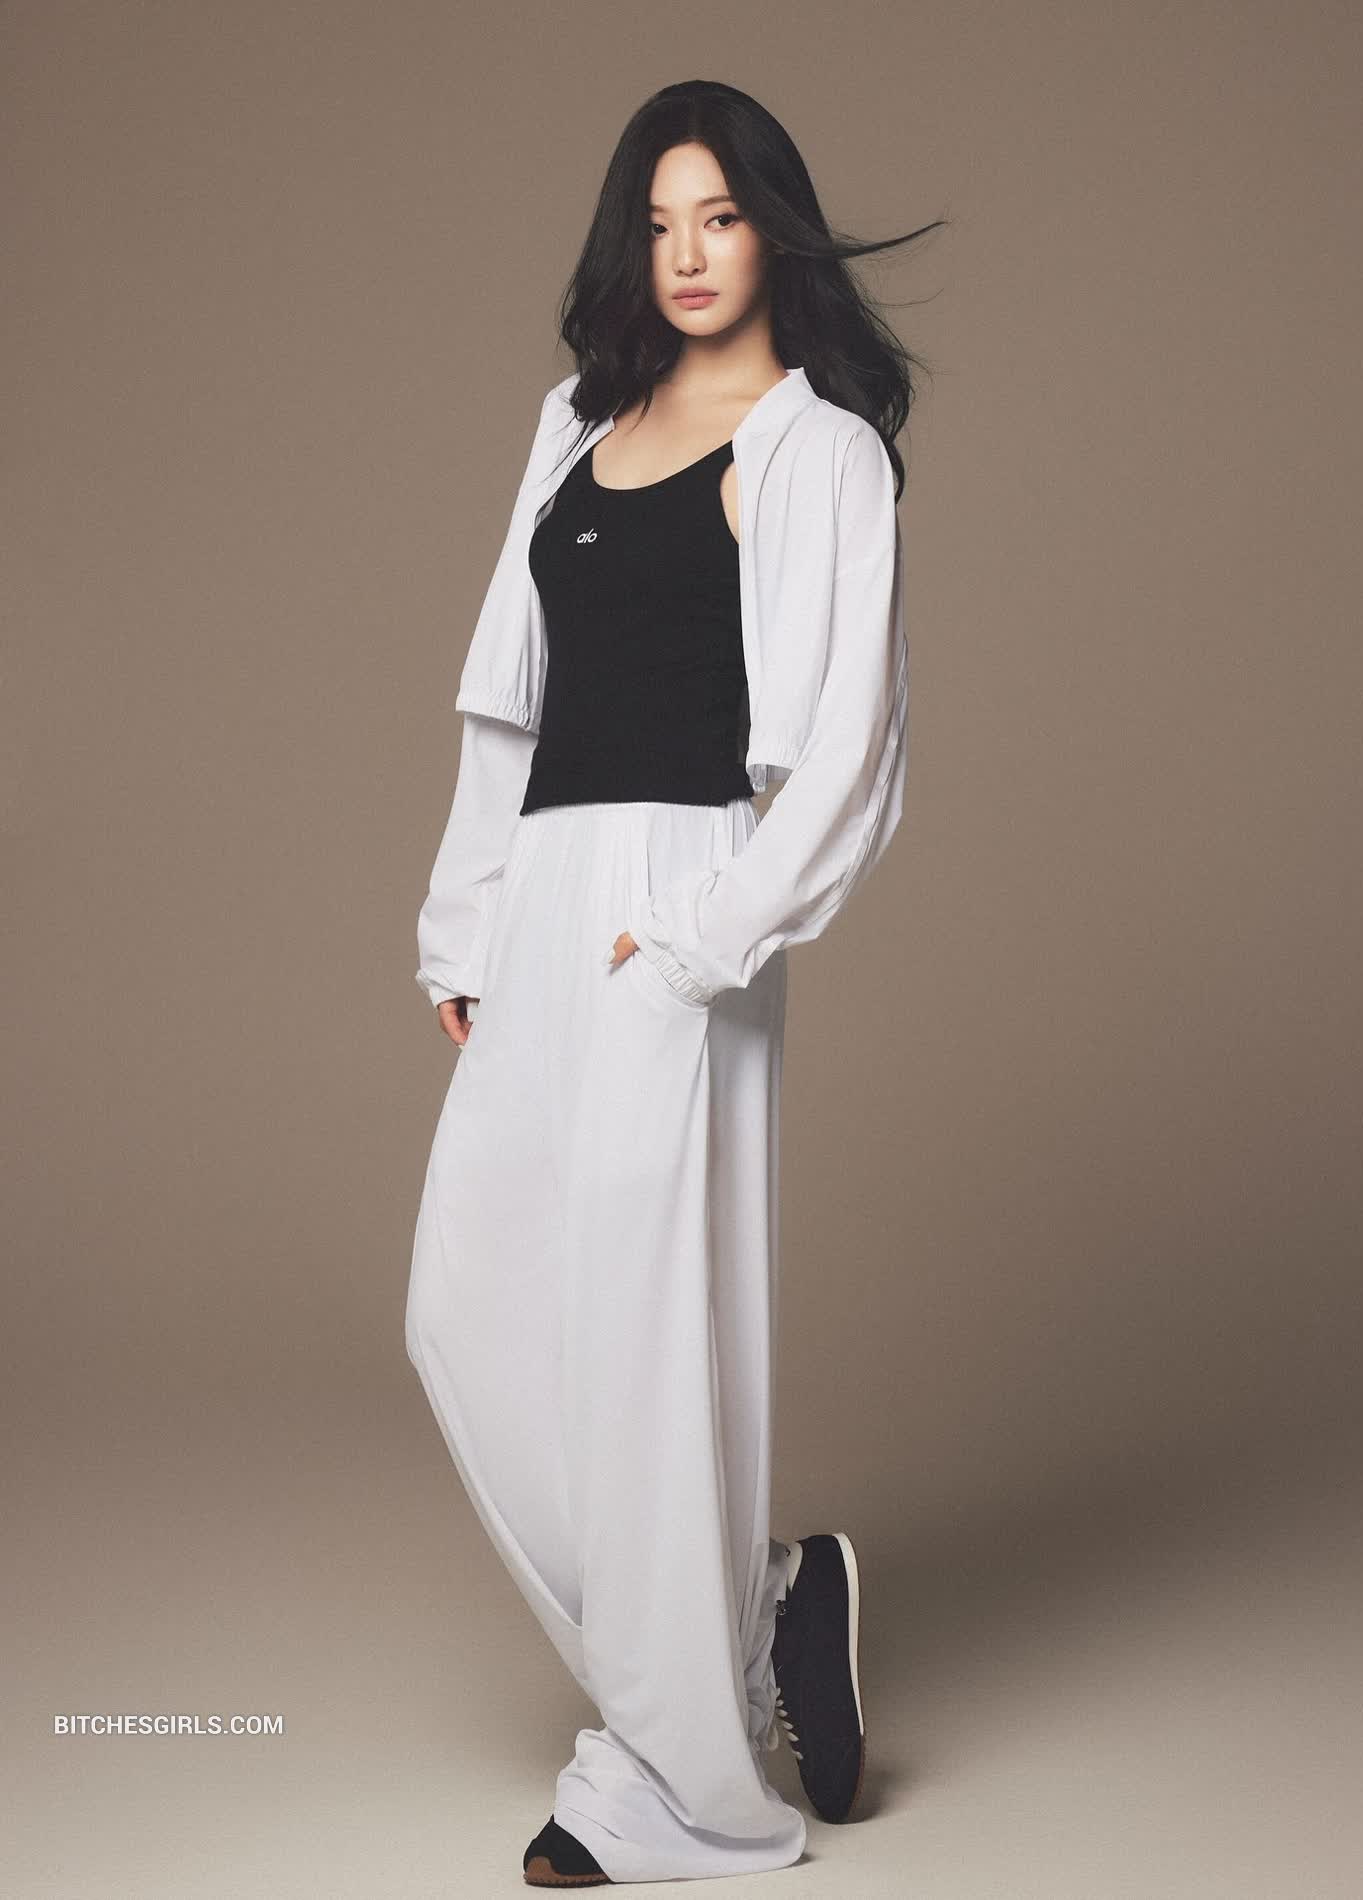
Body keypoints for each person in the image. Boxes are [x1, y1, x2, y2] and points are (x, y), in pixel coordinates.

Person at [405, 78, 939, 1887]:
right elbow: (508, 701)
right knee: (464, 1314)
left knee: (641, 1349)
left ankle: (666, 1781)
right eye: (658, 222)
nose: (688, 254)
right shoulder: (572, 422)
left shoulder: (817, 450)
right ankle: (762, 1597)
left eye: (718, 217)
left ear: (772, 229)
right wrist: (466, 923)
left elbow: (849, 752)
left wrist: (706, 934)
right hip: (547, 894)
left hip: (674, 909)